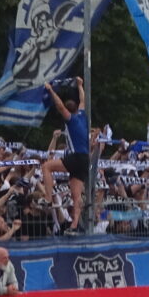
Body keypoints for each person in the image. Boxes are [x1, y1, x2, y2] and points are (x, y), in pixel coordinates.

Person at [40, 80, 92, 232]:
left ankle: (49, 198)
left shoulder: (72, 120)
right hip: (84, 160)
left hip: (76, 156)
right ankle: (75, 224)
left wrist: (51, 90)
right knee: (76, 196)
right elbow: (83, 100)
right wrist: (80, 85)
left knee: (46, 166)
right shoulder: (82, 116)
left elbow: (60, 106)